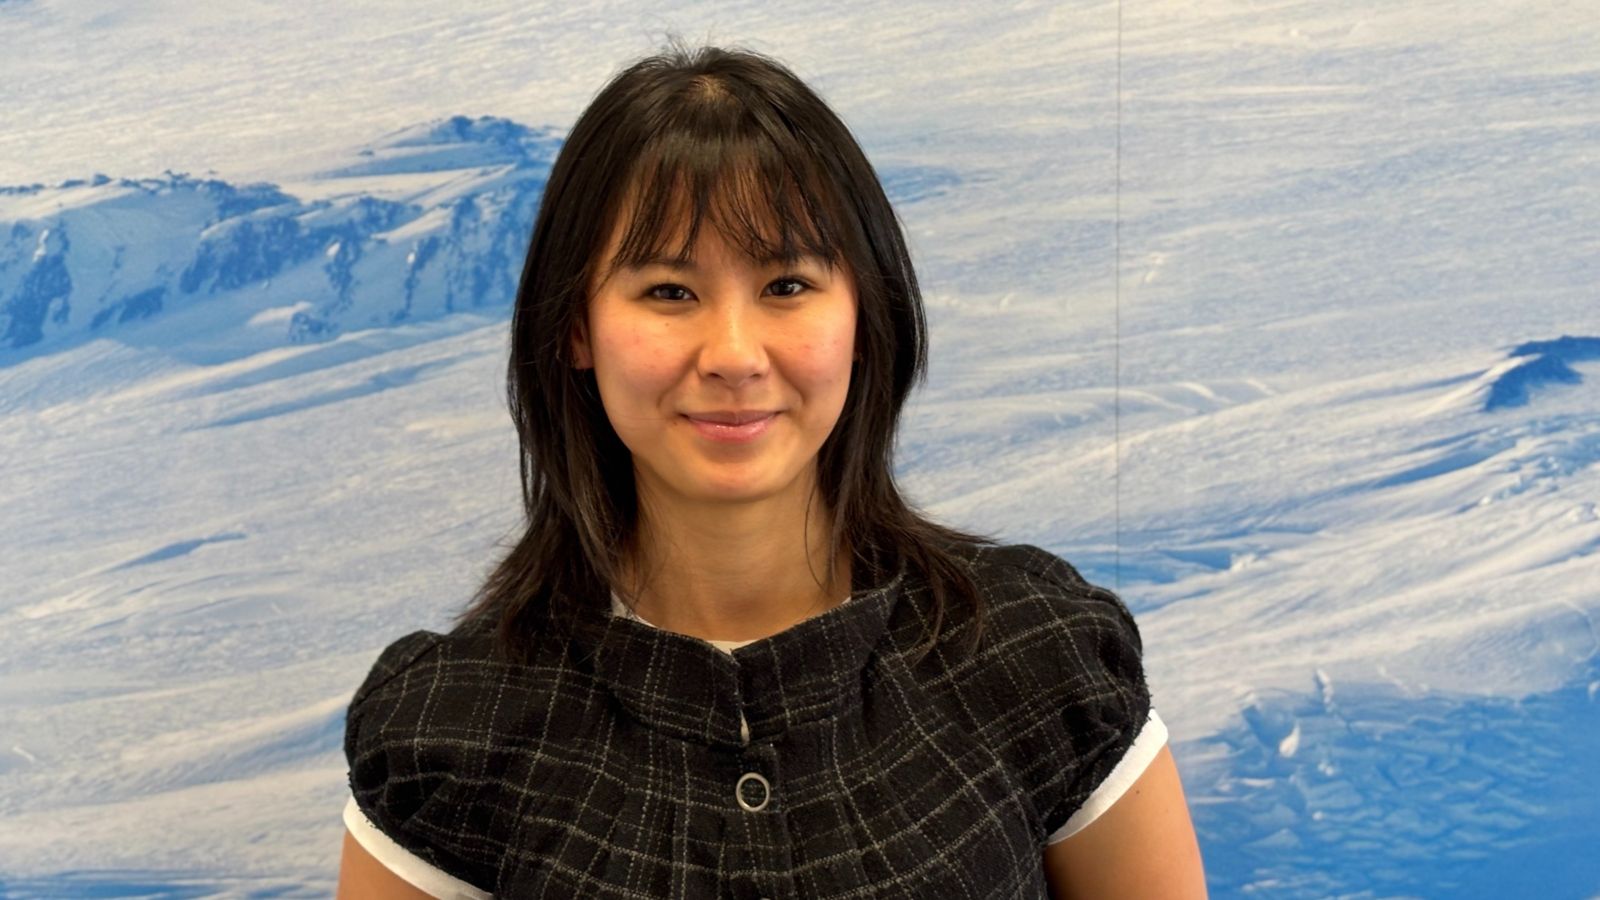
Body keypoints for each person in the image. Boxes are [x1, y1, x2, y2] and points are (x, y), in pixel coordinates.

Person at [338, 41, 1206, 899]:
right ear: (575, 328)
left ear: (866, 313)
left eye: (787, 284)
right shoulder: (448, 735)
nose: (734, 354)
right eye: (669, 292)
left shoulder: (1035, 656)